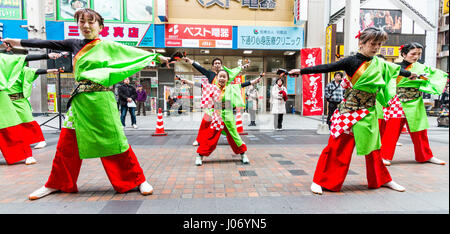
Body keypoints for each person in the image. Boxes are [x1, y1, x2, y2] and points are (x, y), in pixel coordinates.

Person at [2, 8, 170, 200]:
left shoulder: (109, 46)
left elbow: (133, 53)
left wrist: (158, 57)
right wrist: (16, 41)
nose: (86, 26)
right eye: (82, 22)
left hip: (102, 100)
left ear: (100, 27)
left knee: (114, 142)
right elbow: (44, 42)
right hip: (79, 102)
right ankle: (57, 183)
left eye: (91, 22)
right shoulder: (74, 44)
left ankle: (137, 180)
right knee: (66, 145)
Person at [289, 27, 413, 195]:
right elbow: (327, 67)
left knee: (374, 150)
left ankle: (384, 179)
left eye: (379, 44)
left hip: (368, 113)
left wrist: (411, 75)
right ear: (361, 43)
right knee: (336, 148)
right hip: (349, 112)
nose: (376, 47)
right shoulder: (350, 61)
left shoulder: (380, 63)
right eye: (373, 43)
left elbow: (396, 70)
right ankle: (320, 181)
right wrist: (301, 71)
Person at [380, 42, 448, 166]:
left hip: (416, 101)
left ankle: (425, 155)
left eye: (419, 54)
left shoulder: (421, 67)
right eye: (413, 53)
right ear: (404, 54)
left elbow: (434, 78)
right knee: (392, 130)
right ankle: (384, 156)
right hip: (398, 101)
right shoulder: (394, 67)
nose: (416, 57)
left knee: (420, 130)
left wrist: (423, 79)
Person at [180, 70, 262, 166]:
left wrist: (255, 80)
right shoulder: (212, 87)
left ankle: (243, 154)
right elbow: (200, 85)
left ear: (227, 79)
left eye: (224, 77)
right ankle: (200, 155)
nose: (222, 78)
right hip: (217, 113)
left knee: (233, 135)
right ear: (217, 78)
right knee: (211, 135)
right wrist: (187, 81)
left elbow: (243, 84)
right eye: (220, 76)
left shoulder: (231, 87)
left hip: (227, 113)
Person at [0, 51, 60, 165]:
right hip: (7, 99)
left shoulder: (9, 63)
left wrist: (45, 56)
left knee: (10, 128)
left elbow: (23, 59)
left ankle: (26, 154)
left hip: (10, 99)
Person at [183, 56, 249, 146]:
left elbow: (236, 70)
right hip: (215, 102)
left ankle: (238, 141)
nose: (217, 65)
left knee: (230, 125)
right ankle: (199, 140)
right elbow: (200, 68)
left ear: (221, 65)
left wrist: (244, 66)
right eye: (215, 63)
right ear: (213, 66)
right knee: (206, 122)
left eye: (219, 63)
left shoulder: (227, 75)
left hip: (226, 101)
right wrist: (190, 61)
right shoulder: (210, 74)